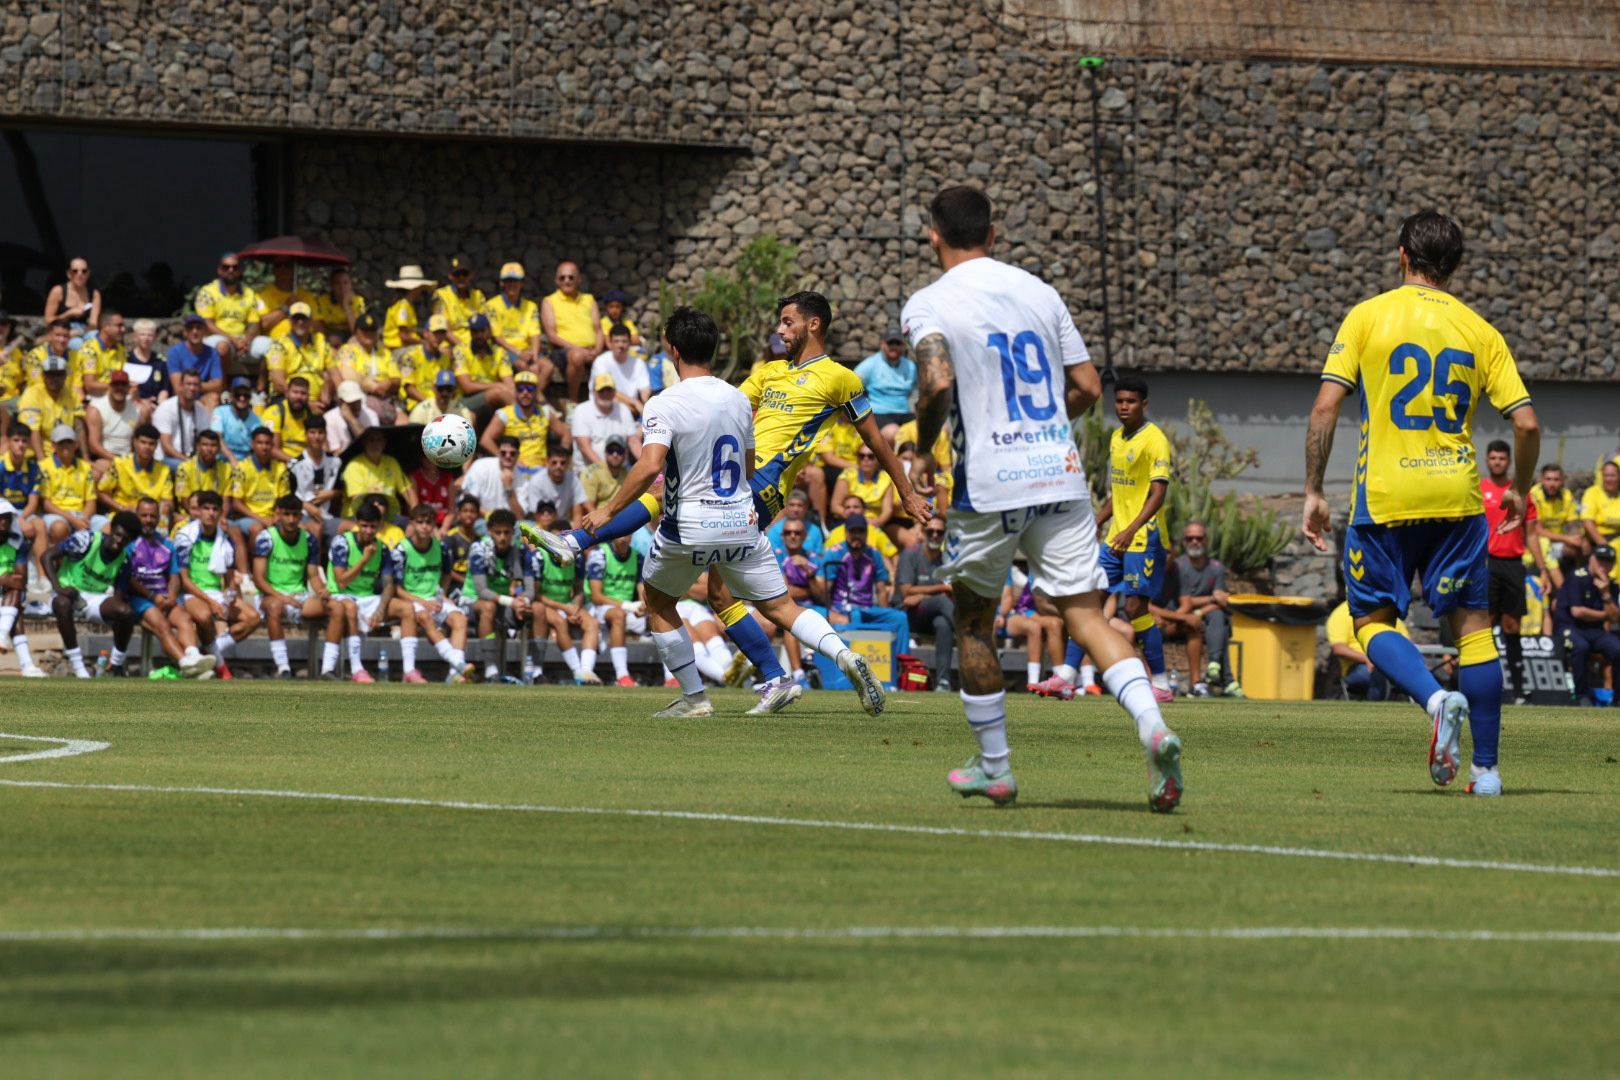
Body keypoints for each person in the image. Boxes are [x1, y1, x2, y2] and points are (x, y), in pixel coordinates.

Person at [905, 184, 1182, 810]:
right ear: (994, 234)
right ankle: (1153, 725)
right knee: (1085, 615)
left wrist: (925, 449)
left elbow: (937, 380)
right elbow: (1086, 385)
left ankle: (995, 766)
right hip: (1057, 473)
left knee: (975, 620)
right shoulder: (1040, 292)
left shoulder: (930, 301)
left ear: (933, 236)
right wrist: (1041, 424)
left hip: (990, 483)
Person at [533, 292, 927, 697]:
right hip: (738, 475)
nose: (780, 329)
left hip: (764, 484)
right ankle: (815, 667)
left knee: (662, 500)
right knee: (728, 596)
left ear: (813, 324)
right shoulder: (769, 372)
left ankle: (577, 541)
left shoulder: (841, 378)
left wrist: (907, 492)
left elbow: (877, 442)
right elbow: (723, 406)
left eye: (788, 321)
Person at [1304, 209, 1538, 798]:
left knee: (1372, 620)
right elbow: (1528, 423)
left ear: (1402, 255)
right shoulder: (1480, 330)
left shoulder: (1367, 316)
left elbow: (1326, 409)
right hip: (1456, 498)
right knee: (1474, 631)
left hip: (1384, 498)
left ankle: (1436, 701)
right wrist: (1522, 488)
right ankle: (1486, 773)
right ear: (1454, 266)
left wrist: (1312, 489)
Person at [1093, 374, 1175, 702]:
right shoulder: (1116, 438)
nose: (1124, 407)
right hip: (1116, 537)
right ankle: (1068, 676)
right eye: (1119, 401)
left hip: (1143, 537)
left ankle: (1161, 683)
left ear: (1144, 404)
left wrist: (1131, 529)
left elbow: (1157, 494)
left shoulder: (1155, 439)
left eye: (1131, 402)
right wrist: (1096, 522)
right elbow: (1118, 493)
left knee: (1134, 607)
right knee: (1090, 599)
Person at [1480, 439, 1547, 704]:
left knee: (1512, 626)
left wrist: (1542, 570)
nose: (1497, 462)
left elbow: (1532, 535)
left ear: (1509, 461)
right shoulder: (1478, 489)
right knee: (1484, 625)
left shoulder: (1521, 492)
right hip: (1486, 562)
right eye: (1493, 458)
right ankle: (1481, 687)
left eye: (1502, 458)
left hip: (1513, 564)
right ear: (1487, 460)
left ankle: (1518, 690)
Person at [122, 496, 215, 679]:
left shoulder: (166, 545)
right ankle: (185, 664)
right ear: (137, 516)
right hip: (139, 598)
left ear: (158, 518)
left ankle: (193, 656)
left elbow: (173, 575)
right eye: (144, 515)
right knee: (161, 624)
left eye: (152, 516)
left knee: (185, 618)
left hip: (164, 596)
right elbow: (128, 577)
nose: (148, 520)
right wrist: (151, 596)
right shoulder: (129, 544)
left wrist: (171, 596)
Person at [42, 509, 142, 679]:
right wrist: (58, 588)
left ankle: (116, 665)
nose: (119, 541)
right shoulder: (86, 540)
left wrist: (117, 618)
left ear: (130, 541)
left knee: (126, 612)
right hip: (68, 593)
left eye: (125, 539)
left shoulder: (124, 559)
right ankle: (78, 666)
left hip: (94, 599)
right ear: (111, 529)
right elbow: (46, 556)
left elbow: (118, 596)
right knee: (62, 603)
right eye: (117, 535)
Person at [173, 489, 260, 678]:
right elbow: (184, 581)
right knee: (204, 616)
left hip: (216, 594)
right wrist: (212, 603)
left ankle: (211, 652)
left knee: (254, 617)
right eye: (206, 508)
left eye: (215, 509)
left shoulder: (226, 540)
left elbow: (229, 583)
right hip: (191, 594)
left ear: (221, 512)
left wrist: (226, 602)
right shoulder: (184, 537)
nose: (211, 513)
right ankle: (219, 665)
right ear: (198, 511)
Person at [388, 502, 471, 684]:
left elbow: (447, 573)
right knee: (425, 618)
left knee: (460, 619)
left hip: (434, 599)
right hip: (410, 600)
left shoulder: (441, 548)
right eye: (420, 522)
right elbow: (397, 590)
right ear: (412, 524)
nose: (424, 527)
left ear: (434, 525)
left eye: (428, 522)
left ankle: (454, 674)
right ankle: (458, 662)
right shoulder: (402, 551)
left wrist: (441, 594)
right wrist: (423, 602)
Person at [249, 496, 329, 679]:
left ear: (301, 516)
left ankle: (330, 668)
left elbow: (313, 576)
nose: (291, 520)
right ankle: (283, 666)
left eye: (295, 515)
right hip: (270, 595)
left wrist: (322, 591)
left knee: (336, 606)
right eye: (286, 514)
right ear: (278, 514)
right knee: (275, 607)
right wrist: (282, 597)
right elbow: (259, 580)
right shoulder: (266, 538)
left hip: (298, 596)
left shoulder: (309, 540)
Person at [1162, 521, 1240, 697]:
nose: (1195, 542)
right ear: (1183, 541)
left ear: (1206, 540)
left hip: (1204, 620)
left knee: (1218, 616)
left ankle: (1209, 672)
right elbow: (1185, 601)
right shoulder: (1177, 567)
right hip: (1179, 618)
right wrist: (1209, 600)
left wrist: (1200, 610)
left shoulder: (1216, 568)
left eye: (1199, 538)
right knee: (1215, 625)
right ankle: (1225, 679)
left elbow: (1223, 600)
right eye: (1190, 538)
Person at [814, 514, 912, 651]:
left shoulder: (874, 554)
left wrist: (883, 619)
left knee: (899, 618)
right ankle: (858, 664)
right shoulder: (835, 554)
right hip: (843, 607)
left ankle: (901, 661)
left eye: (861, 531)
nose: (856, 536)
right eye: (853, 531)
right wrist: (833, 613)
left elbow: (881, 590)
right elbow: (824, 591)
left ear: (866, 533)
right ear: (846, 533)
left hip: (868, 607)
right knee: (855, 616)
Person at [321, 499, 392, 682]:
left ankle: (410, 671)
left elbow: (389, 585)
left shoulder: (382, 549)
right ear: (357, 523)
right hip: (340, 594)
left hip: (367, 597)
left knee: (407, 610)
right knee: (350, 607)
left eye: (373, 527)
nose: (368, 531)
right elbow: (342, 581)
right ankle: (354, 668)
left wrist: (380, 610)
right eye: (364, 526)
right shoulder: (341, 542)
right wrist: (364, 560)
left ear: (379, 526)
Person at [532, 502, 601, 685]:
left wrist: (576, 608)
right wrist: (566, 608)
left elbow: (578, 588)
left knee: (592, 624)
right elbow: (536, 595)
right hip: (546, 605)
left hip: (568, 606)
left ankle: (587, 671)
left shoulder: (576, 560)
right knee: (560, 622)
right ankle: (578, 673)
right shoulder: (539, 557)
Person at [468, 508, 538, 684]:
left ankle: (537, 671)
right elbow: (481, 591)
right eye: (498, 532)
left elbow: (528, 587)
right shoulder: (478, 549)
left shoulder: (520, 552)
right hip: (471, 602)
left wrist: (523, 601)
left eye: (507, 532)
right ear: (490, 531)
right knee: (488, 607)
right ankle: (491, 669)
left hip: (507, 603)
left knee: (538, 609)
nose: (502, 537)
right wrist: (513, 602)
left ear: (513, 533)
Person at [1553, 544, 1620, 706]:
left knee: (1617, 649)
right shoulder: (1577, 577)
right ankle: (1581, 695)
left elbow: (1616, 618)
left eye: (1608, 562)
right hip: (1570, 627)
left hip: (1595, 630)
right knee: (1581, 646)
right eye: (1600, 561)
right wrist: (1606, 614)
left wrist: (1605, 593)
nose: (1604, 566)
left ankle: (1617, 699)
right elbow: (1577, 612)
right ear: (1592, 559)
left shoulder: (1611, 586)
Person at [898, 514, 955, 690]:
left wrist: (923, 595)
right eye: (930, 532)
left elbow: (954, 591)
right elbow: (906, 591)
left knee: (944, 624)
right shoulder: (910, 554)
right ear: (923, 532)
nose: (935, 536)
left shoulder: (948, 559)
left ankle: (943, 681)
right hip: (911, 614)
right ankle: (967, 634)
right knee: (942, 602)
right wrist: (941, 589)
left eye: (939, 532)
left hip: (936, 615)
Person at [585, 534, 645, 687]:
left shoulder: (638, 557)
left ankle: (671, 677)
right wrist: (628, 606)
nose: (623, 538)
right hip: (599, 608)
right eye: (620, 533)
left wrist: (643, 606)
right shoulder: (599, 554)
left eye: (628, 533)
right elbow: (596, 597)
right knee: (619, 615)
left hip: (627, 609)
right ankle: (622, 675)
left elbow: (642, 590)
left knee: (660, 618)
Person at [541, 261, 605, 402]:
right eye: (563, 278)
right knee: (577, 356)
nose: (567, 281)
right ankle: (573, 402)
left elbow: (598, 329)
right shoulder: (549, 301)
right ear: (557, 281)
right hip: (563, 351)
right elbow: (551, 335)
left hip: (591, 351)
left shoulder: (589, 300)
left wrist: (597, 351)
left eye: (571, 277)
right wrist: (579, 350)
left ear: (579, 280)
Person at [192, 252, 262, 379]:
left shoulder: (249, 293)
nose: (231, 270)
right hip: (215, 337)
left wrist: (247, 341)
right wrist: (233, 340)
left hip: (242, 339)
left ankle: (261, 391)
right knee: (223, 347)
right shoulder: (207, 292)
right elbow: (207, 325)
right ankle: (221, 387)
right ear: (219, 270)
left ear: (240, 271)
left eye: (235, 267)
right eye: (226, 267)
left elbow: (254, 323)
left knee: (271, 346)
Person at [1323, 600, 1409, 701]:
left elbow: (1406, 644)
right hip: (1358, 667)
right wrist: (1366, 658)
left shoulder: (1387, 610)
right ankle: (1376, 709)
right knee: (1376, 673)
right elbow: (1338, 648)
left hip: (1391, 665)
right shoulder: (1341, 614)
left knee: (1421, 673)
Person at [481, 370, 566, 467]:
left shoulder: (545, 412)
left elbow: (565, 434)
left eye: (530, 388)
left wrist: (558, 456)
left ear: (536, 392)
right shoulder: (504, 414)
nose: (525, 392)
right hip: (515, 468)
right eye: (521, 388)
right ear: (515, 391)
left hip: (540, 468)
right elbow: (486, 440)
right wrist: (505, 458)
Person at [0, 499, 46, 677]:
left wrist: (6, 581)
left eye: (7, 518)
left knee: (16, 593)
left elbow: (21, 579)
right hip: (5, 595)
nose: (3, 522)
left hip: (6, 596)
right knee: (14, 609)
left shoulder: (18, 543)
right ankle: (26, 664)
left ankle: (2, 634)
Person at [97, 423, 173, 529]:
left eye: (151, 444)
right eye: (143, 442)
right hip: (124, 515)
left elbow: (167, 501)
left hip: (151, 518)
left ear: (156, 446)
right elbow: (101, 491)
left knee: (164, 513)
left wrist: (155, 510)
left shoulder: (164, 470)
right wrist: (122, 508)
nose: (147, 447)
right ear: (135, 442)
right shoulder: (119, 464)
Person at [484, 262, 551, 383]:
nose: (512, 284)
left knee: (548, 367)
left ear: (522, 283)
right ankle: (536, 399)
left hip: (527, 351)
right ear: (502, 283)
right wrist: (519, 353)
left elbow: (535, 334)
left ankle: (534, 397)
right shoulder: (491, 306)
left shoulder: (531, 306)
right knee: (527, 368)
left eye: (515, 281)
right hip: (505, 351)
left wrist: (535, 354)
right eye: (508, 281)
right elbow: (497, 338)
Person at [998, 568, 1062, 691]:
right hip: (1027, 610)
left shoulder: (1003, 569)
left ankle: (1060, 681)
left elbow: (1007, 598)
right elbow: (1041, 604)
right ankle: (1035, 682)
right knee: (1052, 624)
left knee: (1059, 625)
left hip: (1007, 616)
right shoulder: (1037, 568)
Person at [39, 424, 102, 547]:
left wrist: (84, 519)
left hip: (81, 514)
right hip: (57, 514)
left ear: (76, 444)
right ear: (53, 446)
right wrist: (74, 520)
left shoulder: (85, 467)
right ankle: (60, 565)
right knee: (59, 529)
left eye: (69, 442)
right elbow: (46, 504)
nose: (65, 446)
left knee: (108, 527)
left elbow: (91, 501)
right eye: (61, 442)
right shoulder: (44, 466)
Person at [335, 312, 401, 422]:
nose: (369, 334)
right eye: (365, 331)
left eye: (372, 331)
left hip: (386, 397)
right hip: (360, 398)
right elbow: (346, 373)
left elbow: (397, 380)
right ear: (356, 332)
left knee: (405, 423)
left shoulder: (385, 352)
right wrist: (373, 386)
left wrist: (389, 383)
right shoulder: (348, 350)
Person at [229, 426, 289, 544]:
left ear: (272, 445)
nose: (264, 447)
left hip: (273, 516)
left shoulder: (281, 468)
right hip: (247, 518)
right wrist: (261, 519)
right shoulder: (241, 468)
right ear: (252, 444)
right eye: (260, 443)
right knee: (257, 529)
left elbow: (283, 500)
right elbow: (236, 504)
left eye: (267, 443)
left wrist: (277, 516)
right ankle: (256, 562)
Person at [265, 303, 333, 407]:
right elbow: (278, 383)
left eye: (304, 319)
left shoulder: (320, 340)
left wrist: (328, 388)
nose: (300, 322)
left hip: (320, 401)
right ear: (290, 321)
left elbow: (334, 373)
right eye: (296, 319)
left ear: (311, 321)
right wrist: (307, 403)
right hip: (289, 399)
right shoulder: (279, 345)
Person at [18, 355, 81, 461]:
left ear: (65, 376)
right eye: (50, 375)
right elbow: (34, 430)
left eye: (58, 375)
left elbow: (80, 426)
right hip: (37, 456)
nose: (54, 379)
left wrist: (84, 457)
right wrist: (43, 463)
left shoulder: (72, 394)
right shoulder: (32, 394)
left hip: (67, 455)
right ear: (43, 376)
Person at [855, 333, 917, 441]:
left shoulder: (910, 366)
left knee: (933, 430)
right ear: (882, 344)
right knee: (894, 433)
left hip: (904, 412)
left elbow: (912, 392)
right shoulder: (870, 364)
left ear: (903, 346)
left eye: (898, 343)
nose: (894, 346)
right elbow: (851, 387)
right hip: (878, 413)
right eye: (890, 343)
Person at [572, 372, 641, 465]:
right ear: (594, 392)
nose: (605, 393)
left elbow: (634, 443)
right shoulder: (581, 410)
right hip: (590, 469)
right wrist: (606, 473)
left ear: (614, 392)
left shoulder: (623, 410)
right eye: (601, 390)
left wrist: (646, 464)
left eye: (609, 390)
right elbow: (585, 448)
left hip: (620, 470)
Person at [830, 444, 897, 540]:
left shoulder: (885, 479)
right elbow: (835, 506)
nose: (866, 459)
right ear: (857, 459)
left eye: (871, 456)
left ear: (877, 459)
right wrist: (857, 518)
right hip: (847, 521)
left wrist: (877, 522)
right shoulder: (847, 475)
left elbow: (887, 510)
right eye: (862, 456)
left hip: (874, 524)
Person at [1530, 463, 1582, 585]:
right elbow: (1537, 530)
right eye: (1548, 479)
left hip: (1558, 541)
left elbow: (1573, 524)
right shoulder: (1534, 495)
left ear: (1562, 480)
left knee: (1583, 545)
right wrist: (1567, 538)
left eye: (1556, 479)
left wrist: (1576, 537)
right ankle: (1563, 592)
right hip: (1538, 541)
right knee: (1545, 544)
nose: (1552, 483)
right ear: (1542, 480)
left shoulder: (1566, 494)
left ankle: (1580, 582)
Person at [289, 417, 341, 537]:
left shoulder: (336, 462)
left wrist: (333, 493)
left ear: (326, 435)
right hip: (302, 515)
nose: (317, 437)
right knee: (316, 530)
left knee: (352, 528)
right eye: (312, 432)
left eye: (320, 432)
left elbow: (342, 488)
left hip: (328, 516)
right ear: (305, 435)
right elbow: (288, 495)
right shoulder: (294, 464)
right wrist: (305, 505)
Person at [173, 429, 230, 533]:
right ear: (197, 446)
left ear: (218, 448)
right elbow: (185, 500)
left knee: (234, 531)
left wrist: (221, 517)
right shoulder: (184, 468)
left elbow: (225, 501)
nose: (209, 449)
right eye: (205, 444)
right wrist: (202, 517)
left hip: (216, 515)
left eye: (213, 445)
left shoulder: (226, 469)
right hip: (192, 514)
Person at [85, 369, 140, 477]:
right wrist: (117, 460)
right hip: (105, 457)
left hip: (128, 458)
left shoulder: (136, 410)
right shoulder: (96, 409)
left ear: (128, 388)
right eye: (116, 385)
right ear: (109, 387)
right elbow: (94, 445)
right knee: (97, 475)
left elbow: (138, 441)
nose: (119, 388)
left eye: (123, 385)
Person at [152, 369, 211, 467]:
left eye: (195, 385)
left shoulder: (202, 411)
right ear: (181, 385)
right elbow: (166, 447)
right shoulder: (166, 408)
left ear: (200, 387)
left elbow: (205, 441)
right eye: (188, 384)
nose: (192, 388)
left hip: (190, 458)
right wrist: (188, 462)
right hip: (166, 459)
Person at [460, 436, 528, 520]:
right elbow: (469, 499)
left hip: (509, 524)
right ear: (498, 453)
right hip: (481, 519)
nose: (508, 456)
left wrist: (509, 489)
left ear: (518, 455)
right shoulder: (480, 466)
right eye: (503, 453)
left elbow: (520, 517)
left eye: (512, 453)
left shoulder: (523, 480)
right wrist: (493, 518)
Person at [589, 325, 651, 415]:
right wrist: (635, 402)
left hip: (632, 408)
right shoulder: (601, 361)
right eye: (616, 341)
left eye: (624, 341)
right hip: (605, 405)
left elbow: (644, 389)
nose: (620, 345)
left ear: (630, 343)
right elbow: (606, 391)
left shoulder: (639, 362)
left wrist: (646, 403)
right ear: (610, 343)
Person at [167, 314, 225, 406]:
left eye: (199, 328)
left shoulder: (213, 353)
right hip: (182, 397)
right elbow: (178, 387)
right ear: (185, 332)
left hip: (204, 397)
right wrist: (206, 385)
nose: (195, 331)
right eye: (190, 328)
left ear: (204, 332)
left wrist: (190, 385)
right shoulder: (175, 352)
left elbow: (218, 385)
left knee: (214, 397)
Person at [522, 442, 587, 525]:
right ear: (547, 463)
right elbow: (536, 514)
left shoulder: (573, 480)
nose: (558, 466)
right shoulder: (536, 481)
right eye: (554, 462)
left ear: (567, 464)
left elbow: (577, 512)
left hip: (563, 524)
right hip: (541, 525)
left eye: (562, 463)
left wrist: (575, 536)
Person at [401, 317, 454, 416]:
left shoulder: (445, 358)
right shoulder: (411, 356)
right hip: (417, 405)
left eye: (441, 334)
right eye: (435, 333)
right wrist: (431, 404)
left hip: (441, 405)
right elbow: (410, 389)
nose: (439, 337)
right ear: (426, 333)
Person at [43, 257, 101, 343]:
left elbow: (93, 323)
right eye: (75, 271)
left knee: (96, 338)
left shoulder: (94, 294)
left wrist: (80, 332)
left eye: (84, 271)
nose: (80, 274)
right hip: (61, 332)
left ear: (88, 274)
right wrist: (68, 314)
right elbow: (48, 321)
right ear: (69, 274)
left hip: (84, 330)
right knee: (77, 343)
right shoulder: (58, 291)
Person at [381, 266, 435, 356]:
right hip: (399, 348)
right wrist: (423, 342)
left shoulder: (406, 304)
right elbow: (404, 337)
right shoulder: (403, 306)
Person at [432, 255, 485, 347]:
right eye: (457, 274)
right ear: (450, 276)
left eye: (465, 274)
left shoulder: (478, 296)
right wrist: (464, 348)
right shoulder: (441, 295)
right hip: (451, 345)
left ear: (471, 275)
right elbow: (444, 330)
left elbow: (484, 326)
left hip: (476, 344)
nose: (461, 278)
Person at [211, 376, 267, 462]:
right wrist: (231, 458)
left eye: (246, 395)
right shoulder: (220, 412)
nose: (242, 398)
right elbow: (217, 437)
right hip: (222, 461)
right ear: (231, 396)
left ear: (250, 397)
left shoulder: (257, 420)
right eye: (238, 395)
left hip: (246, 462)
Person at [124, 318, 170, 417]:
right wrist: (142, 402)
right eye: (142, 334)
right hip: (131, 405)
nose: (146, 338)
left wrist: (160, 406)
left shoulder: (161, 361)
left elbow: (164, 389)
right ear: (135, 337)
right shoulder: (126, 360)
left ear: (155, 337)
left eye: (150, 335)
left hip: (155, 406)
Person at [264, 375, 316, 463]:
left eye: (303, 393)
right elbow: (272, 449)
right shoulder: (274, 412)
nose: (299, 397)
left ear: (308, 396)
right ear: (287, 393)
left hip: (308, 464)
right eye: (295, 392)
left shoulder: (312, 415)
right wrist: (296, 462)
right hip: (282, 464)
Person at [77, 308, 126, 399]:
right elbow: (90, 386)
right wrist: (121, 387)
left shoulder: (120, 349)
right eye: (119, 326)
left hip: (115, 395)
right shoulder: (89, 349)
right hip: (96, 398)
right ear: (106, 327)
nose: (123, 329)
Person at [322, 379, 378, 456]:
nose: (356, 406)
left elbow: (371, 445)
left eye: (358, 401)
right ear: (341, 402)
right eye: (351, 402)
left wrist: (352, 420)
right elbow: (336, 452)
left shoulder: (371, 415)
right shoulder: (329, 418)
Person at [312, 267, 364, 344]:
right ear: (332, 286)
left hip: (351, 334)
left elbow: (356, 330)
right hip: (330, 334)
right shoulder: (322, 300)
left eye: (346, 283)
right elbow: (318, 324)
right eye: (337, 283)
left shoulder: (358, 301)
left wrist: (347, 306)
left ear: (351, 285)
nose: (342, 287)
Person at [766, 489, 824, 557]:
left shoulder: (814, 530)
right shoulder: (775, 531)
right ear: (786, 507)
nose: (795, 509)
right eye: (792, 505)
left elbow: (819, 557)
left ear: (806, 507)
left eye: (800, 505)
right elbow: (773, 557)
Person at [580, 434, 631, 510]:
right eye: (611, 450)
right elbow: (587, 506)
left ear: (625, 454)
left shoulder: (628, 474)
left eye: (619, 451)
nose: (615, 455)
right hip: (598, 518)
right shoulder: (592, 473)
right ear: (605, 452)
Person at [1580, 460, 1620, 550]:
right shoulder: (1592, 492)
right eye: (1606, 475)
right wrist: (1604, 545)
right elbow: (1587, 522)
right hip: (1598, 538)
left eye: (1612, 476)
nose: (1608, 479)